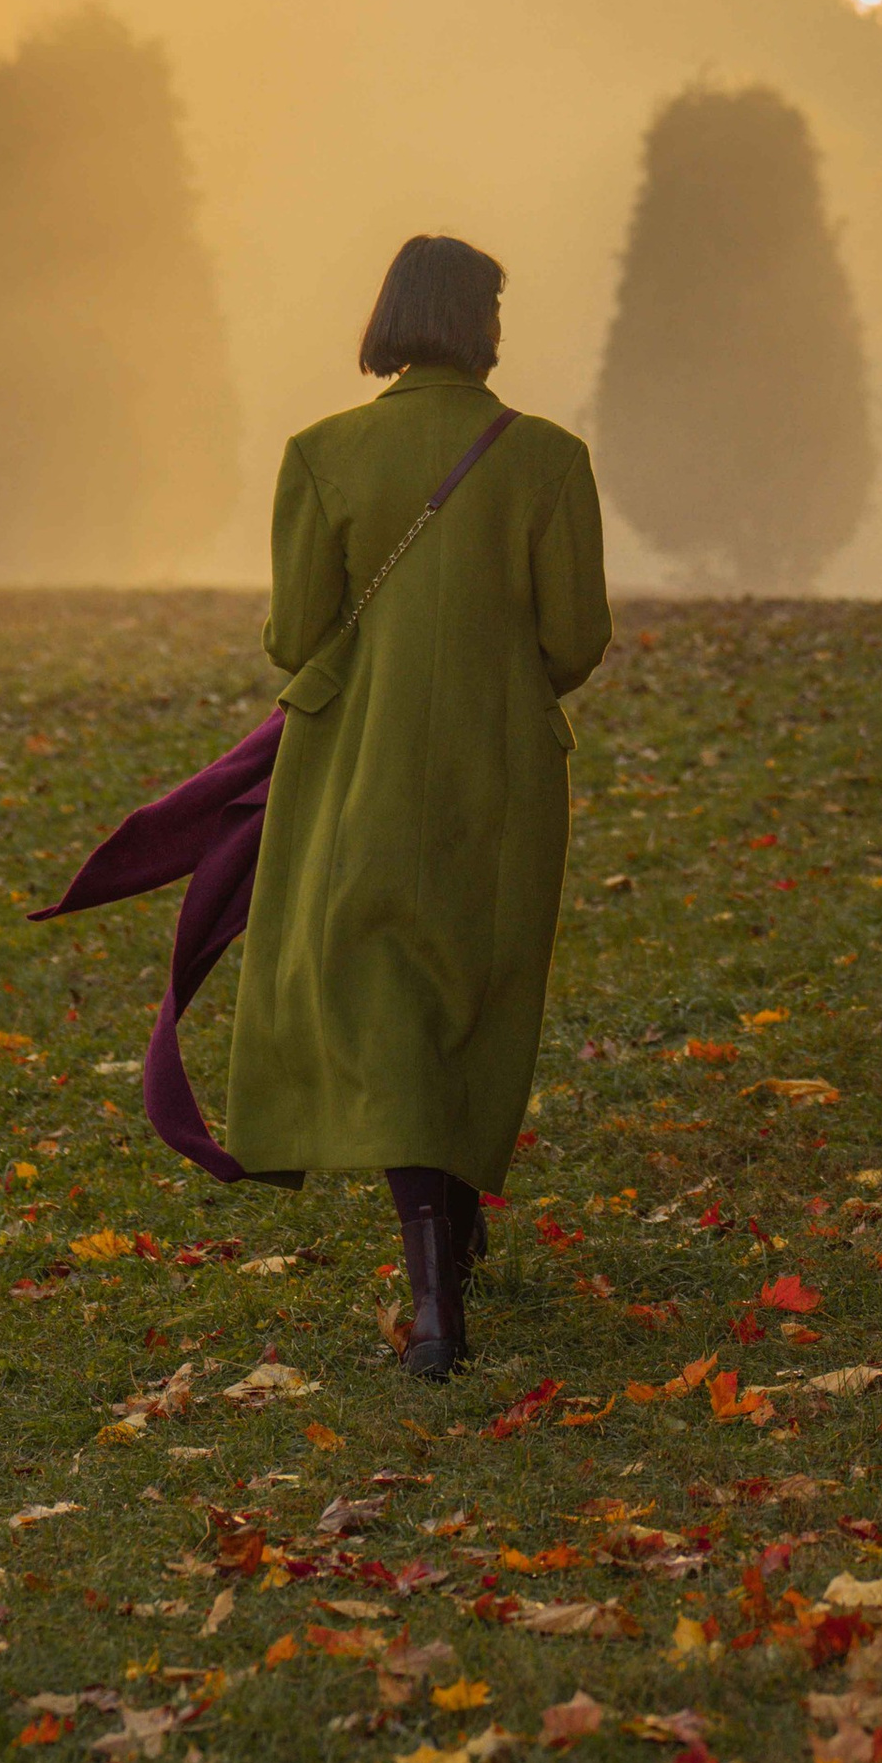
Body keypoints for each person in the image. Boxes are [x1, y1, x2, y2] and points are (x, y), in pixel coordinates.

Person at [222, 232, 612, 1378]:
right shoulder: (548, 458)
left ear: (393, 317)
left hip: (357, 769)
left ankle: (434, 1304)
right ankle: (455, 1245)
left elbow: (296, 637)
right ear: (480, 324)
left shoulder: (322, 454)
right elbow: (575, 640)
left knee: (383, 990)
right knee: (464, 992)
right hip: (502, 774)